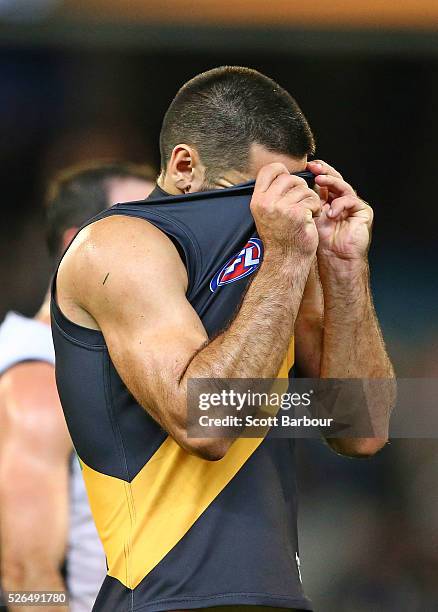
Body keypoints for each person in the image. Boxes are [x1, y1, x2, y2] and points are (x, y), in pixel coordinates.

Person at [52, 67, 395, 612]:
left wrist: (343, 264)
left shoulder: (279, 263)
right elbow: (205, 425)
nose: (273, 214)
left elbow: (362, 430)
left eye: (290, 194)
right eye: (251, 195)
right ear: (184, 166)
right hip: (164, 598)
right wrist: (283, 258)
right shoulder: (117, 247)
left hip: (278, 595)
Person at [0, 161, 156, 612]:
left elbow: (351, 416)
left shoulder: (135, 357)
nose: (167, 242)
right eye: (142, 226)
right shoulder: (36, 377)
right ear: (77, 245)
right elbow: (25, 573)